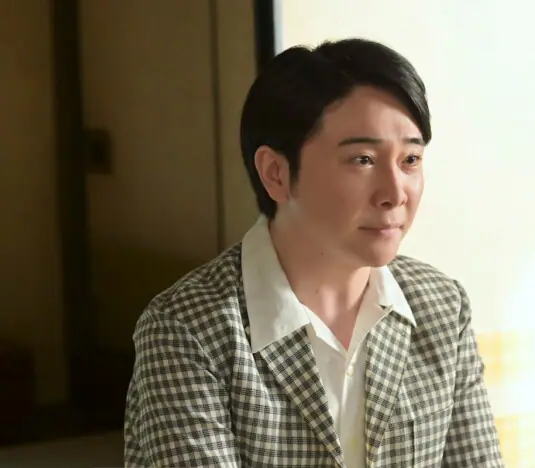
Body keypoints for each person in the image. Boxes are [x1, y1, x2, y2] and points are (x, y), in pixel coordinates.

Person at [124, 38, 503, 467]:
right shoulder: (187, 329)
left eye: (410, 160)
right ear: (276, 173)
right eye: (363, 159)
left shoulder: (442, 307)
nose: (395, 193)